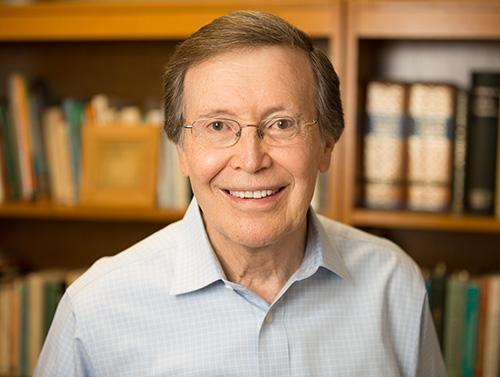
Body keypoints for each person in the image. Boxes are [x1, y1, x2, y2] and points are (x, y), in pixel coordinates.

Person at [35, 11, 445, 377]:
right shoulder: (94, 310)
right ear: (181, 150)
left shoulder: (394, 285)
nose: (250, 160)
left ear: (326, 145)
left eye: (282, 124)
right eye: (217, 126)